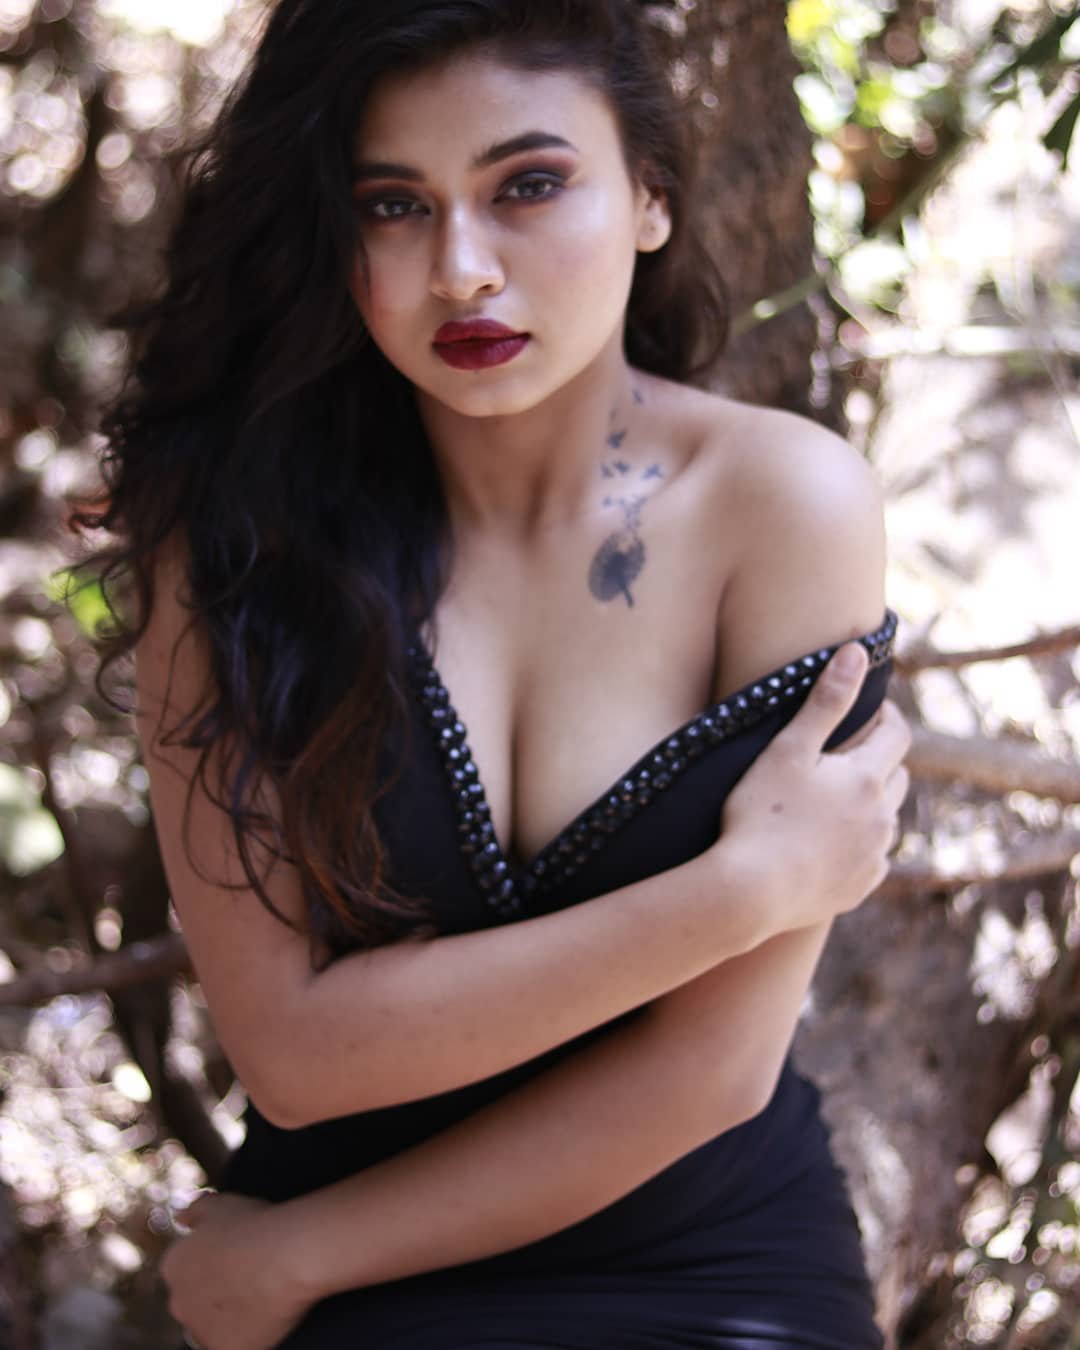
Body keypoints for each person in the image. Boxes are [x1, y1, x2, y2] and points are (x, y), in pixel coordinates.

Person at [73, 1, 911, 1346]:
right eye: (394, 207)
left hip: (705, 1261)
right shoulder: (234, 540)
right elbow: (294, 1057)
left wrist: (297, 1258)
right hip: (344, 1266)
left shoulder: (783, 506)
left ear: (650, 196)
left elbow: (712, 1066)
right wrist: (741, 888)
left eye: (529, 185)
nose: (462, 270)